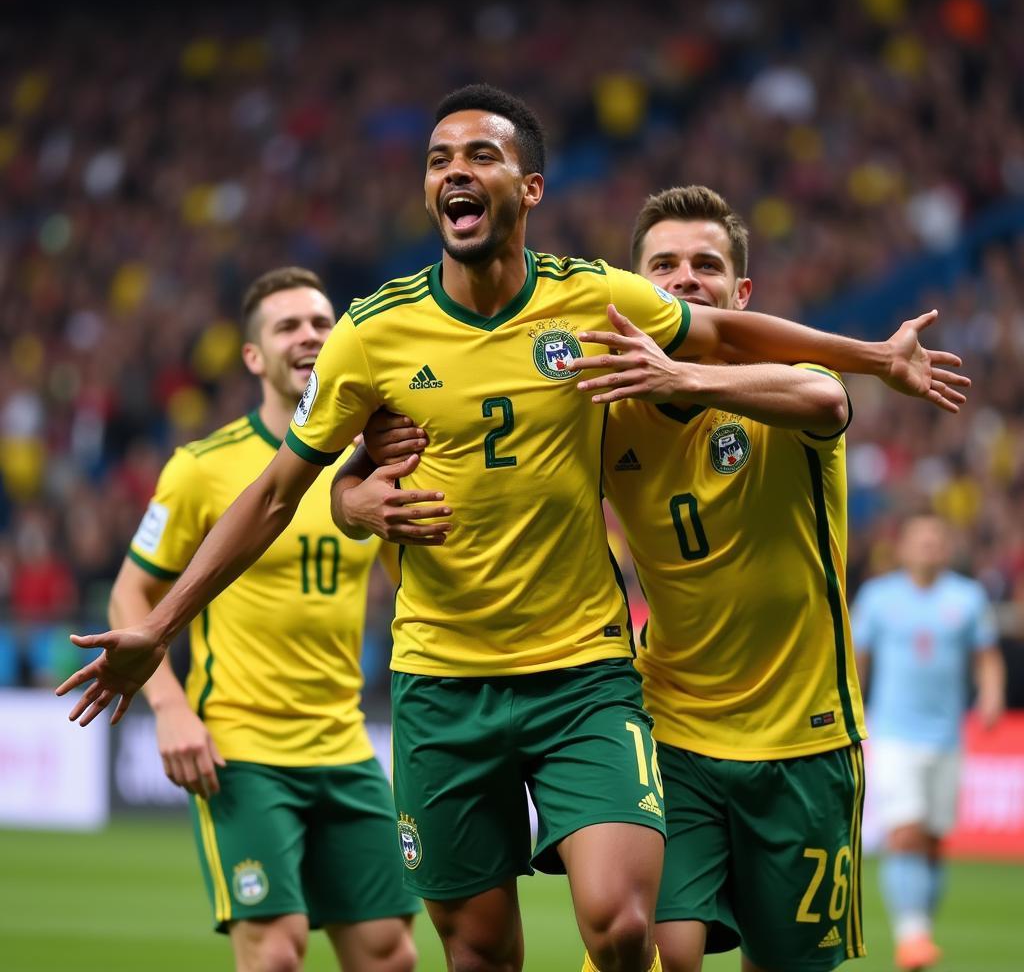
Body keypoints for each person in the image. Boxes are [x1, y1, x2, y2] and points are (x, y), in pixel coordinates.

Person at [59, 85, 966, 972]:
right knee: (478, 949)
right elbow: (274, 491)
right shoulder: (374, 334)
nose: (456, 171)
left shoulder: (595, 307)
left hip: (585, 675)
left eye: (481, 155)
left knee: (621, 927)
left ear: (529, 188)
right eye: (439, 160)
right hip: (441, 684)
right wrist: (190, 606)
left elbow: (731, 340)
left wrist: (877, 357)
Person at [349, 185, 967, 972]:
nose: (684, 278)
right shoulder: (607, 410)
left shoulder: (780, 384)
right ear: (637, 292)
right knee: (649, 945)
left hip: (805, 739)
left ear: (740, 294)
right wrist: (349, 494)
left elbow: (824, 394)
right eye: (663, 265)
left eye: (706, 265)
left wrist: (685, 380)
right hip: (670, 723)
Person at [106, 266, 418, 972]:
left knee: (390, 954)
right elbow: (130, 595)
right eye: (287, 326)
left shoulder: (362, 465)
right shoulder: (200, 468)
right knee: (276, 951)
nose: (309, 336)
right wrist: (169, 708)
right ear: (253, 356)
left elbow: (405, 580)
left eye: (320, 323)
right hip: (241, 749)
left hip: (343, 745)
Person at [853, 513, 1005, 972]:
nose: (930, 547)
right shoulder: (879, 598)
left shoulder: (967, 597)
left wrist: (992, 694)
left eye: (937, 540)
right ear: (903, 548)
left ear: (947, 547)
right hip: (894, 734)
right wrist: (851, 711)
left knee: (935, 841)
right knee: (905, 833)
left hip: (946, 736)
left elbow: (986, 656)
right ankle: (912, 936)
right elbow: (857, 658)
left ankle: (920, 928)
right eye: (921, 540)